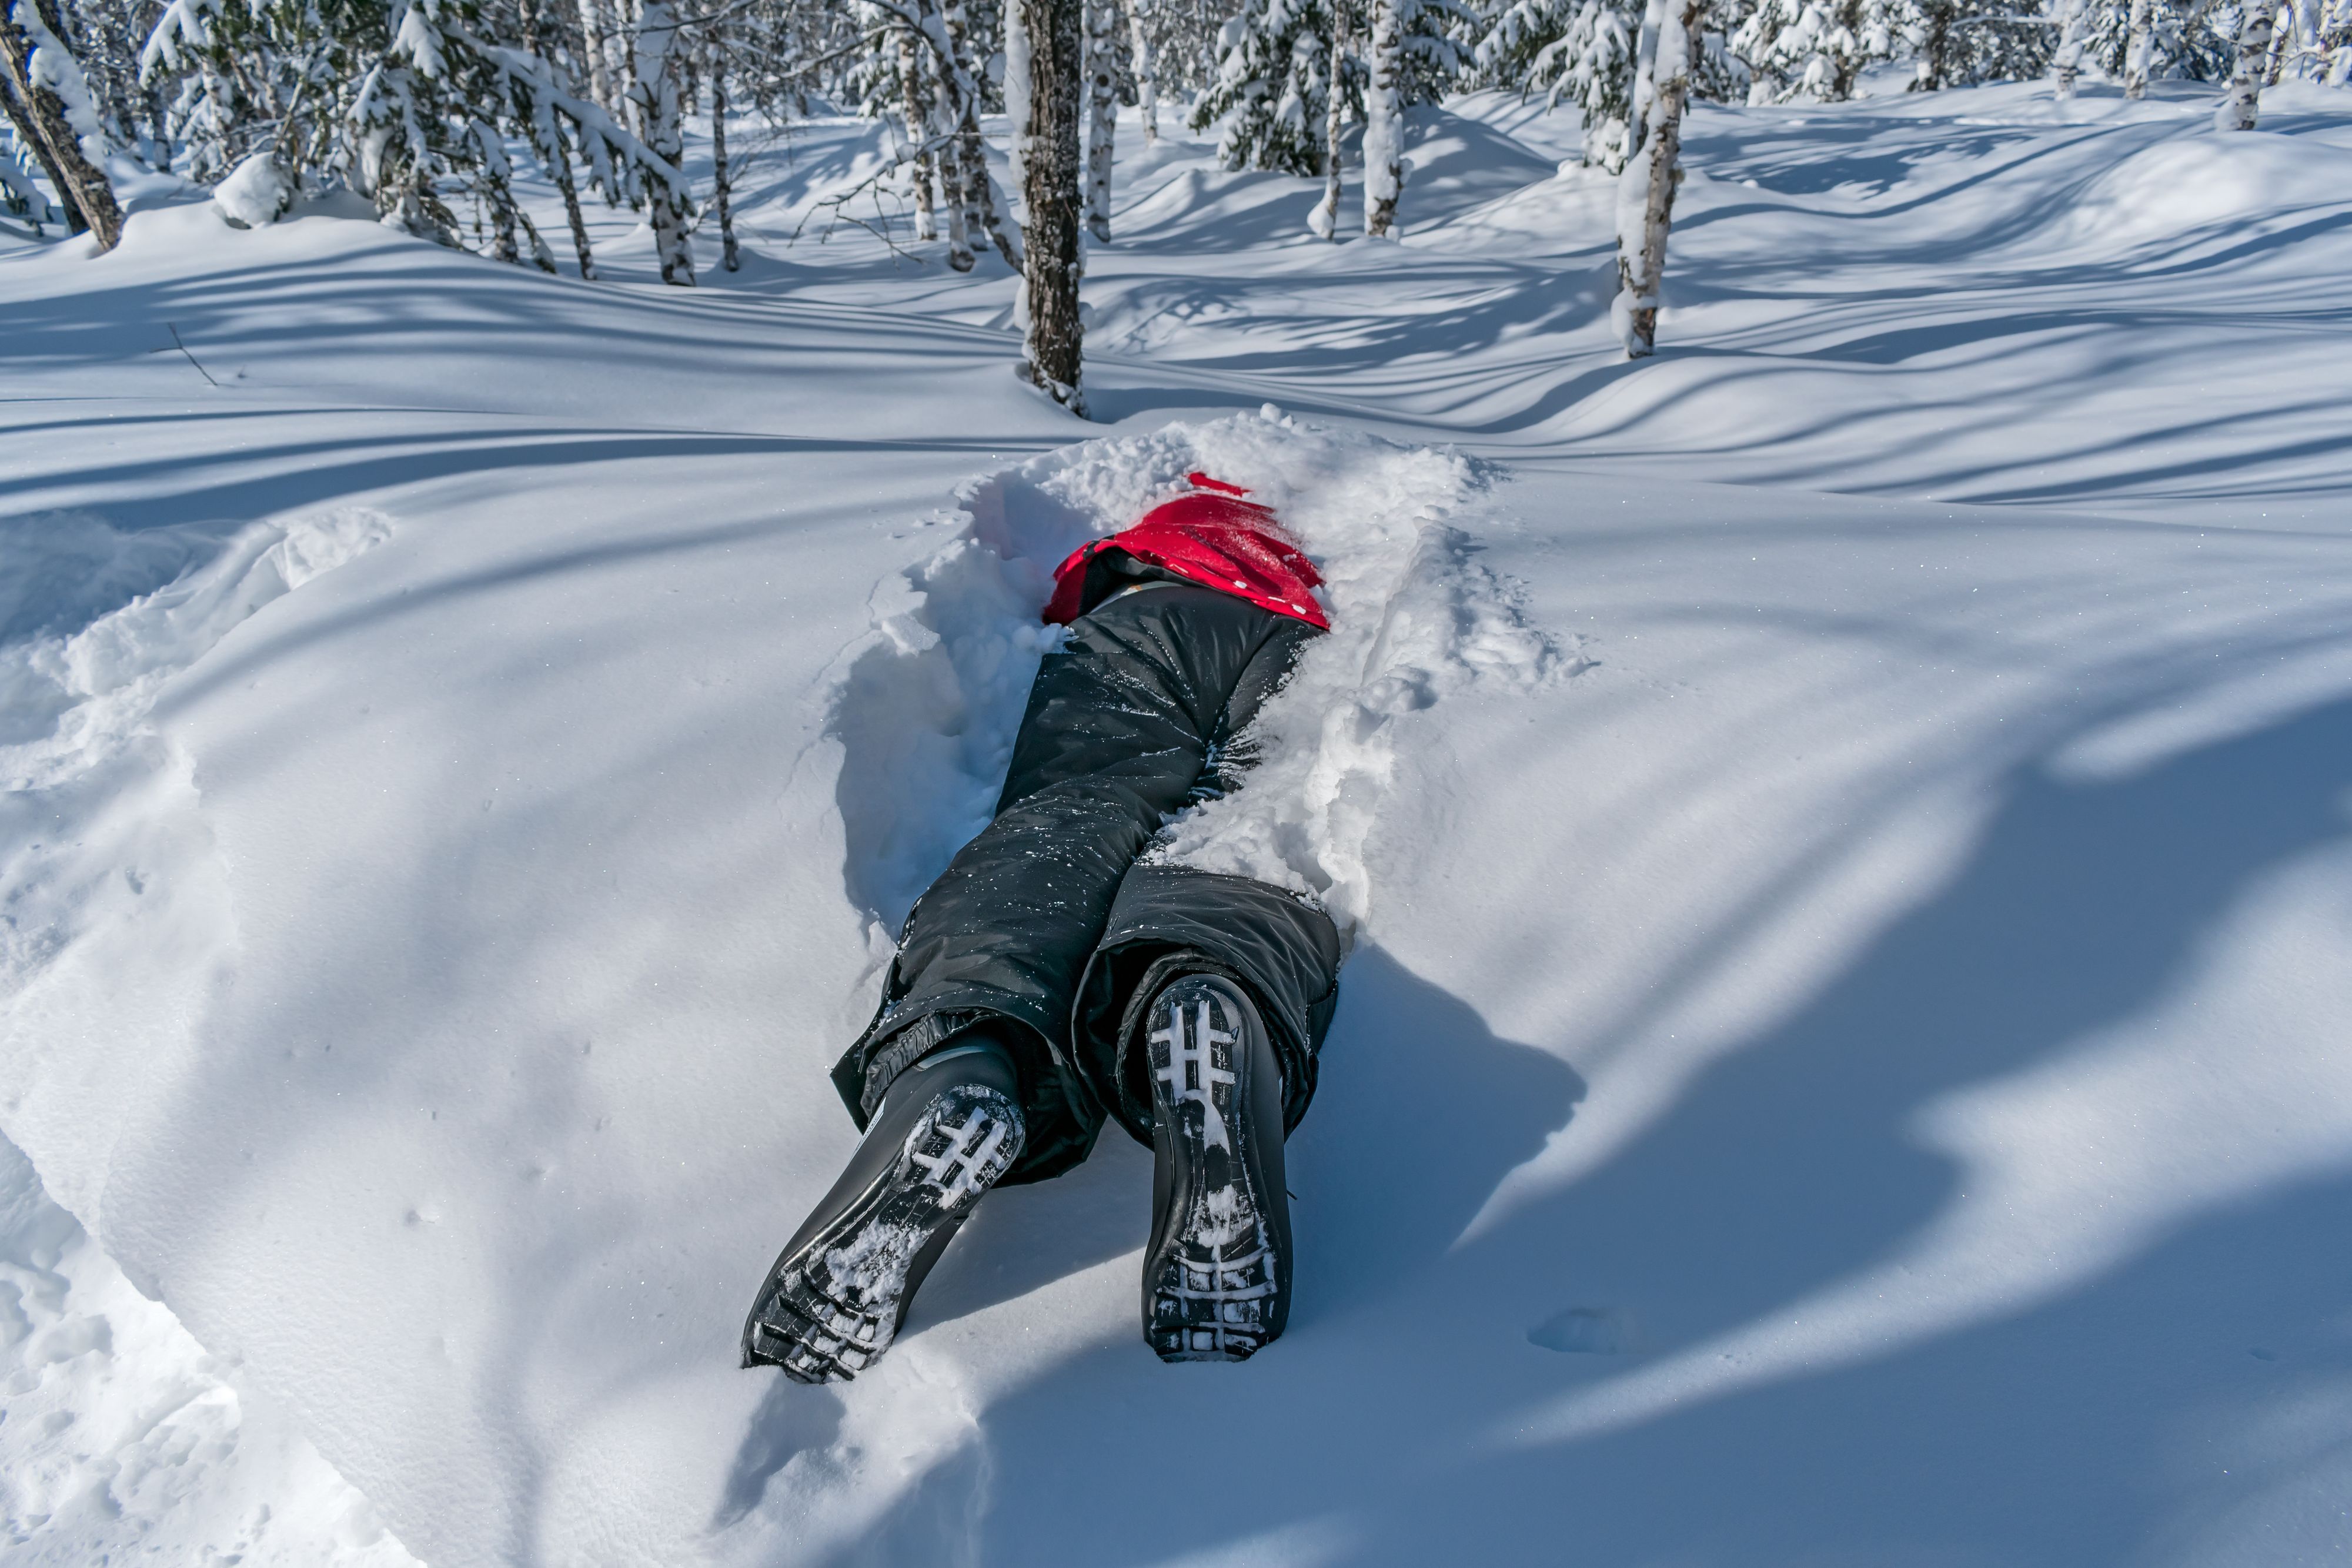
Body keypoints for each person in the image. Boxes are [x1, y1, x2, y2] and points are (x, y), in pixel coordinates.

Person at [740, 474, 1344, 1382]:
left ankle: (972, 1055)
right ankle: (1208, 990)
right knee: (1245, 836)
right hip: (1285, 640)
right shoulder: (1294, 546)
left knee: (1060, 830)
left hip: (1139, 633)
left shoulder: (1150, 542)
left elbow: (1067, 585)